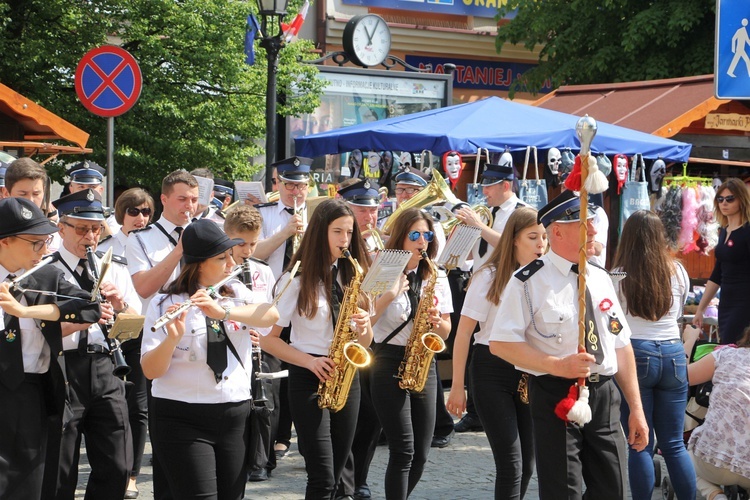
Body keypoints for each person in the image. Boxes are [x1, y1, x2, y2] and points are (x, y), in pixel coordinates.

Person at [489, 190, 648, 500]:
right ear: (558, 231)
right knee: (563, 491)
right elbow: (501, 343)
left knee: (612, 491)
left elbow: (621, 345)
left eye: (593, 223)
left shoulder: (600, 276)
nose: (594, 232)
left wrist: (636, 409)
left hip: (603, 395)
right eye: (584, 225)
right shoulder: (528, 280)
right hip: (555, 393)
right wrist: (556, 365)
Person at [141, 219, 278, 500]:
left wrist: (224, 313)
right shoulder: (163, 303)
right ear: (199, 264)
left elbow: (271, 316)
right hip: (180, 415)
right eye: (221, 258)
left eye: (230, 255)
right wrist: (171, 340)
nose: (231, 263)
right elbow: (151, 370)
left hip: (233, 413)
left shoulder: (236, 293)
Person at [259, 199, 373, 499]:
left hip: (346, 377)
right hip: (309, 376)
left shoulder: (352, 276)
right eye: (337, 232)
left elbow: (365, 344)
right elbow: (270, 339)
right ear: (320, 232)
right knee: (322, 476)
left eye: (349, 233)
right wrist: (309, 363)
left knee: (338, 474)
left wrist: (365, 326)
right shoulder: (295, 279)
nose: (344, 240)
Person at [0, 197, 101, 500]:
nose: (44, 250)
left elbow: (90, 307)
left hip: (33, 391)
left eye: (46, 242)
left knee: (29, 484)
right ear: (5, 241)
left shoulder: (45, 274)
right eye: (35, 243)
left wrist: (28, 312)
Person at [48, 189, 142, 499]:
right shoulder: (47, 270)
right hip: (63, 366)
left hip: (105, 366)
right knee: (61, 465)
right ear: (61, 228)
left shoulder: (113, 266)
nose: (90, 236)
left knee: (117, 462)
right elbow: (37, 329)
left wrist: (119, 306)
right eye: (81, 228)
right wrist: (82, 318)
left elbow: (131, 329)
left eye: (96, 229)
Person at [446, 207, 544, 499]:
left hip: (530, 369)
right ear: (513, 239)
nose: (541, 244)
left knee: (527, 465)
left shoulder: (545, 276)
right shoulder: (488, 276)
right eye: (533, 237)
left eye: (544, 237)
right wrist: (457, 386)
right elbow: (464, 333)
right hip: (491, 369)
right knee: (511, 462)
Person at [369, 207, 452, 499]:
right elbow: (364, 323)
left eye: (426, 235)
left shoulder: (436, 275)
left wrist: (435, 321)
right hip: (387, 359)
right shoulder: (381, 269)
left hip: (423, 362)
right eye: (414, 235)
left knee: (422, 452)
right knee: (403, 450)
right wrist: (389, 294)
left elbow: (446, 331)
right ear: (401, 238)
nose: (421, 242)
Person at [612, 210, 696, 500]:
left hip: (636, 352)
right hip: (673, 352)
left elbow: (612, 316)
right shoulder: (678, 269)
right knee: (674, 444)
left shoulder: (619, 272)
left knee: (639, 443)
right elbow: (682, 307)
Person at [452, 161, 528, 434]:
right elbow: (478, 254)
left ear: (505, 185)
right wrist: (462, 238)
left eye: (489, 186)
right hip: (485, 284)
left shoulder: (522, 213)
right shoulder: (491, 213)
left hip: (509, 287)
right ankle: (476, 410)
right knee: (477, 341)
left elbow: (510, 246)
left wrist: (478, 226)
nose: (484, 192)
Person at [96, 187, 155, 498]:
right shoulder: (108, 246)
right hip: (116, 333)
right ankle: (113, 467)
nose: (140, 217)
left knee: (139, 407)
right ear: (121, 213)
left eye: (146, 211)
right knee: (115, 406)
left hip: (146, 330)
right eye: (134, 211)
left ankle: (132, 474)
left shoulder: (154, 245)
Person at [223, 205, 277, 482]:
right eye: (240, 243)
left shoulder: (262, 271)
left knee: (262, 403)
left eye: (253, 243)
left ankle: (260, 460)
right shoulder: (216, 269)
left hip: (254, 348)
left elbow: (267, 313)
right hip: (227, 346)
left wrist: (260, 332)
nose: (247, 250)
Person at [686, 327, 750, 500]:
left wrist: (690, 340)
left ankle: (715, 495)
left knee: (685, 458)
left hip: (712, 461)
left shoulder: (725, 355)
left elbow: (681, 377)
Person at [126, 170, 198, 310]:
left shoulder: (202, 234)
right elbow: (144, 289)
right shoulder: (139, 238)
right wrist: (179, 250)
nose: (189, 206)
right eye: (182, 199)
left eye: (194, 200)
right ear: (164, 199)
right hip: (159, 324)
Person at [693, 177, 750, 345]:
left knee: (734, 350)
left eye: (730, 198)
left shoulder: (747, 231)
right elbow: (717, 274)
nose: (724, 203)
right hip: (726, 302)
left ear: (742, 200)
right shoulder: (724, 232)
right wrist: (701, 309)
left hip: (745, 302)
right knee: (726, 348)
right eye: (720, 199)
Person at [254, 156, 312, 281]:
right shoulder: (262, 213)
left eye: (301, 185)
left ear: (308, 185)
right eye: (289, 185)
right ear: (278, 184)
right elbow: (254, 253)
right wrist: (286, 232)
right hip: (271, 290)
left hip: (307, 288)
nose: (296, 192)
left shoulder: (318, 214)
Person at [339, 178, 383, 254]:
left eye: (373, 210)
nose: (369, 218)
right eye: (362, 210)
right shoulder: (339, 245)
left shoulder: (379, 242)